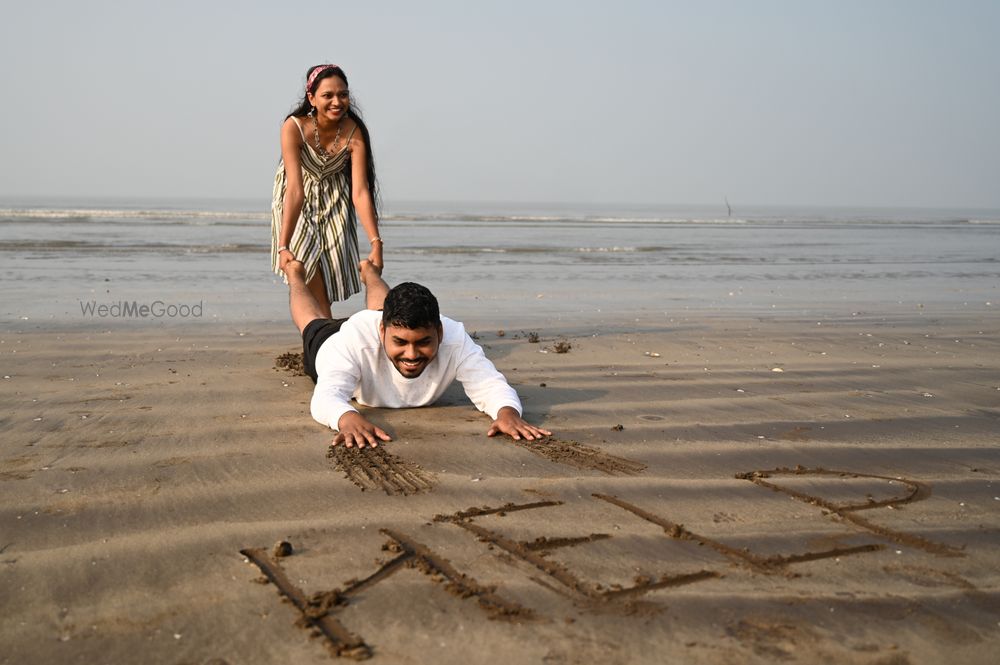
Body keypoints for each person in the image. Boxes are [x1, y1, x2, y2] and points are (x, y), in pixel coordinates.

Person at [285, 258, 552, 448]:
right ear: (382, 333)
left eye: (423, 342)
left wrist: (507, 413)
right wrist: (347, 418)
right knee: (311, 320)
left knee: (385, 308)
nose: (411, 354)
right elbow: (325, 397)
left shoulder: (455, 336)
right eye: (400, 342)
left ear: (439, 332)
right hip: (333, 341)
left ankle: (369, 272)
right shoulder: (353, 343)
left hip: (382, 322)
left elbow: (490, 384)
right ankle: (295, 274)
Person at [271, 64, 382, 319]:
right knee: (305, 265)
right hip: (296, 197)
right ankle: (322, 336)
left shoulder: (354, 132)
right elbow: (295, 188)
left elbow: (361, 192)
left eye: (343, 94)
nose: (337, 101)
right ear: (311, 98)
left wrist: (376, 243)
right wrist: (283, 244)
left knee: (328, 271)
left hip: (335, 199)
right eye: (328, 95)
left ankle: (320, 332)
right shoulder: (294, 127)